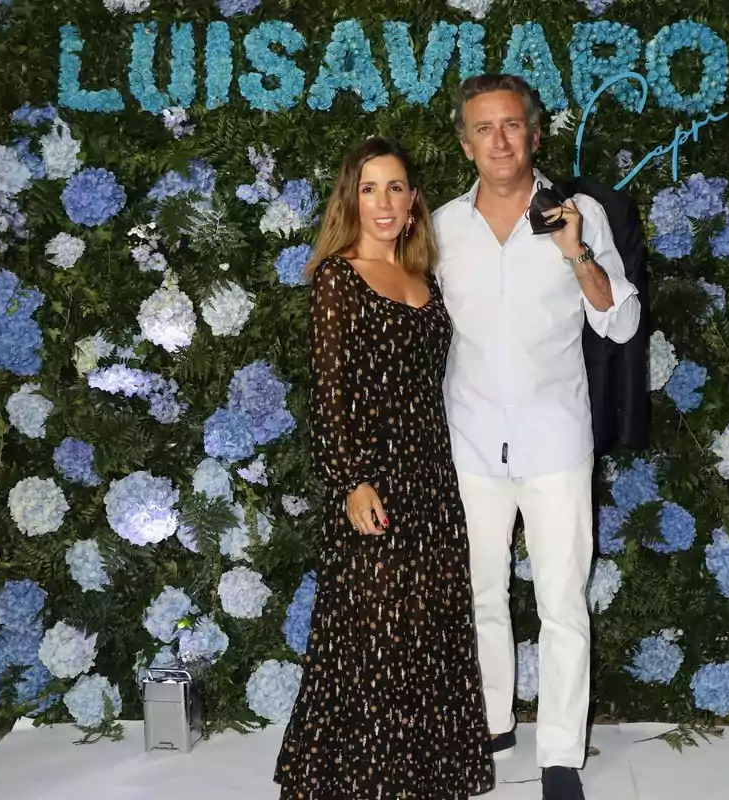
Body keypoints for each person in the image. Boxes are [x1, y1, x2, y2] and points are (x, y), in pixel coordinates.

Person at [432, 75, 642, 800]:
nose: (499, 140)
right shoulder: (442, 226)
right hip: (470, 437)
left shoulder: (574, 212)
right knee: (479, 592)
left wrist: (576, 251)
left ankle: (559, 756)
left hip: (555, 440)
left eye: (512, 126)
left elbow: (620, 320)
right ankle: (489, 730)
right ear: (465, 143)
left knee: (561, 599)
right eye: (484, 128)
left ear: (534, 134)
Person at [275, 136, 495, 799]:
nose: (383, 202)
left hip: (432, 474)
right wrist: (349, 481)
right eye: (369, 188)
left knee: (429, 623)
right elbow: (331, 392)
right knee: (374, 631)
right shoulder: (339, 278)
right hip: (374, 479)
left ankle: (425, 776)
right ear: (351, 198)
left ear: (414, 200)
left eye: (395, 187)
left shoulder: (425, 280)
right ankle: (367, 780)